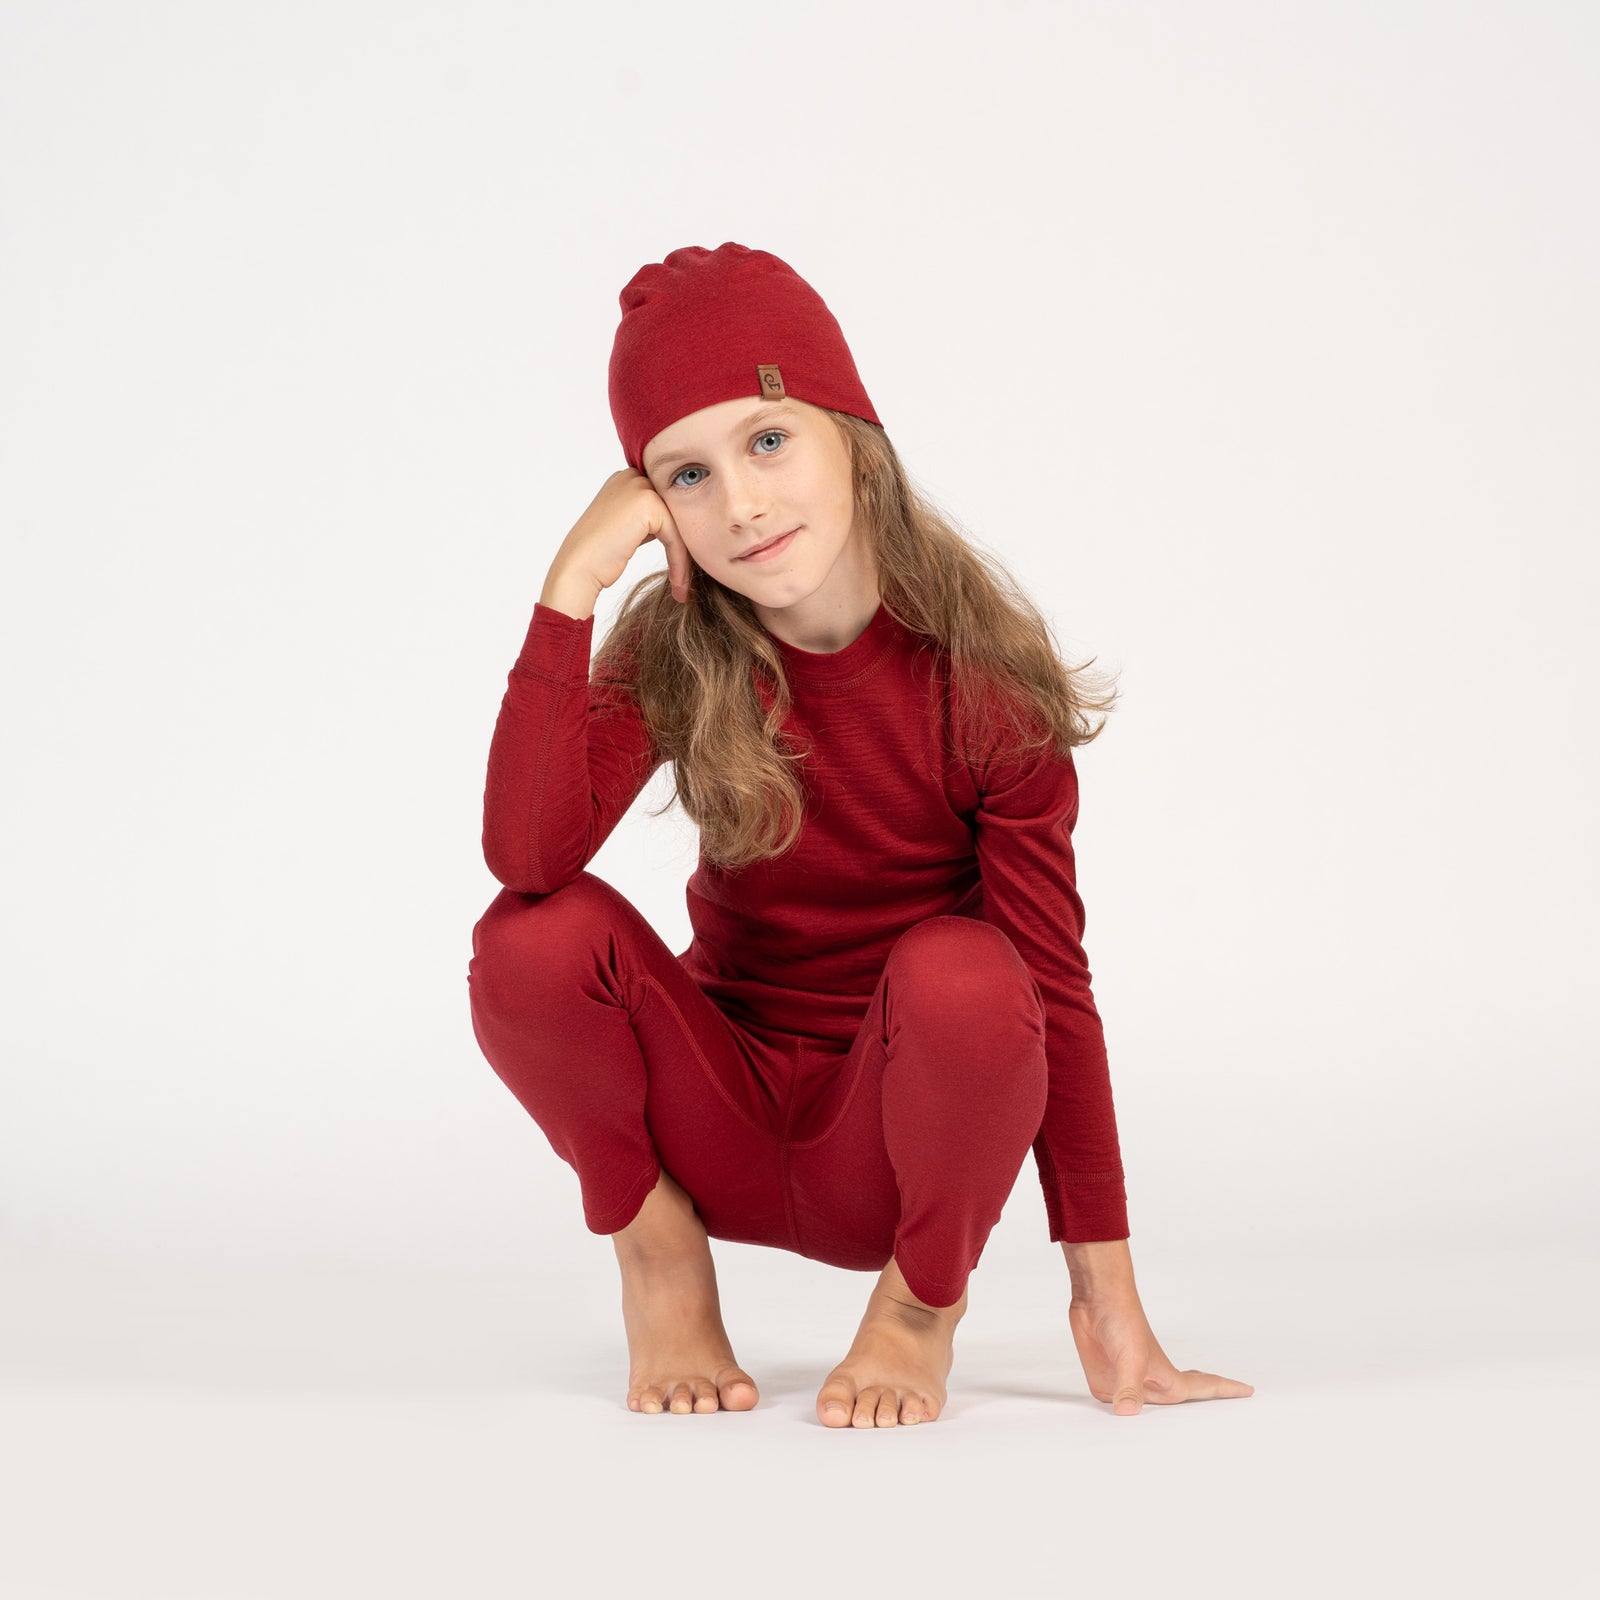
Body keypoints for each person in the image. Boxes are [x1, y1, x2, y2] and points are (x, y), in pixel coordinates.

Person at [467, 241, 1254, 1428]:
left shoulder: (979, 685)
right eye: (686, 474)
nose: (740, 504)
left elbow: (1052, 992)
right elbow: (527, 862)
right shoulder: (679, 648)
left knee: (969, 972)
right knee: (529, 935)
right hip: (716, 1121)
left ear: (852, 435)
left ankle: (918, 1313)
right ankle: (658, 1262)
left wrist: (1105, 1296)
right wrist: (570, 585)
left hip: (891, 1152)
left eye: (767, 440)